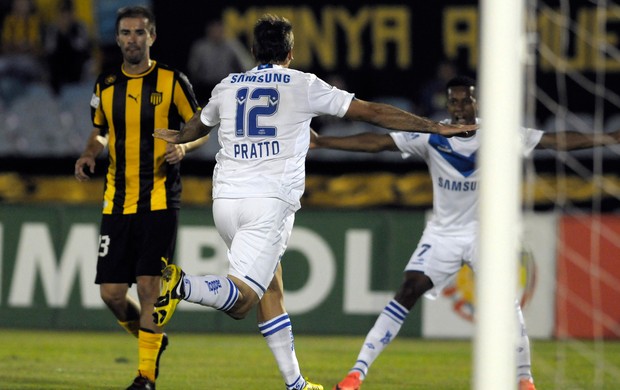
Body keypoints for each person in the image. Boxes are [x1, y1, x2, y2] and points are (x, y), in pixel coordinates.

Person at [151, 14, 474, 390]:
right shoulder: (302, 84)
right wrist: (435, 126)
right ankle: (182, 285)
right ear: (290, 52)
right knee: (242, 301)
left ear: (254, 51)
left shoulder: (228, 85)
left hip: (223, 201)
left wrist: (178, 135)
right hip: (267, 204)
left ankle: (296, 384)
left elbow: (199, 125)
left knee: (271, 290)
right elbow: (370, 112)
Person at [310, 75, 620, 390]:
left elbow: (555, 141)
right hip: (444, 233)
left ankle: (525, 379)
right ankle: (355, 375)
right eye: (454, 101)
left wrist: (611, 137)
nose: (460, 107)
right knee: (408, 289)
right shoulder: (433, 135)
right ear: (448, 104)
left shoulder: (499, 134)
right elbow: (377, 143)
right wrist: (321, 142)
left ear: (477, 102)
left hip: (486, 234)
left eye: (466, 100)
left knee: (504, 299)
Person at [73, 6, 208, 390]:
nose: (133, 39)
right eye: (126, 33)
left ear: (152, 37)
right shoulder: (106, 84)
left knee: (149, 286)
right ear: (117, 39)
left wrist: (184, 147)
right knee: (112, 294)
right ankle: (153, 341)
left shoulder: (172, 81)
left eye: (139, 32)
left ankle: (145, 377)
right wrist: (88, 153)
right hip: (116, 199)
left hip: (161, 199)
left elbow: (202, 127)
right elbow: (99, 132)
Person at [186, 18, 254, 105]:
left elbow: (247, 65)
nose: (216, 33)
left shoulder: (232, 45)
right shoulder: (200, 47)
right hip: (205, 88)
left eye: (219, 29)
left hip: (226, 85)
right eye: (213, 30)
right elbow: (192, 69)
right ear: (208, 31)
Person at [44, 0, 91, 95]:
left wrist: (68, 34)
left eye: (67, 15)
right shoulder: (52, 29)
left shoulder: (80, 28)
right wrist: (60, 34)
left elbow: (82, 48)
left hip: (75, 66)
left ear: (72, 15)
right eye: (62, 15)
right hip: (58, 68)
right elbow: (49, 50)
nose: (65, 18)